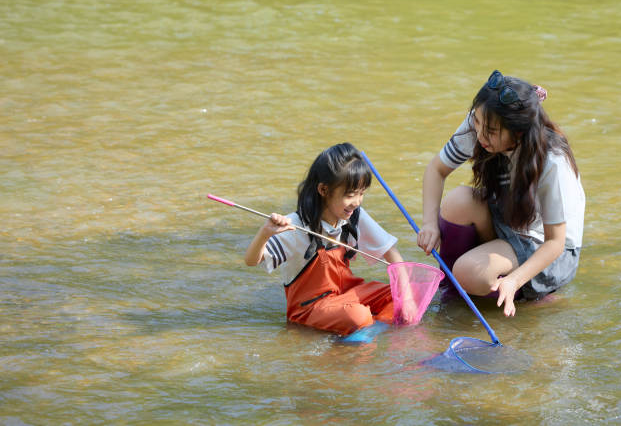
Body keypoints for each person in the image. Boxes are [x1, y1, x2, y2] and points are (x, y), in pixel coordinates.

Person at [418, 70, 585, 317]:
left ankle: (530, 295)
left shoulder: (552, 161)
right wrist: (429, 224)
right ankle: (453, 292)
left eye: (491, 132)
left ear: (518, 132)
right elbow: (436, 170)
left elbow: (555, 243)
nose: (480, 135)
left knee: (468, 272)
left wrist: (514, 280)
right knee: (457, 202)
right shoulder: (483, 120)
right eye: (477, 123)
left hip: (546, 247)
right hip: (509, 219)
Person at [244, 142, 410, 336]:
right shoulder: (295, 225)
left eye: (362, 194)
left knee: (403, 293)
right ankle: (364, 331)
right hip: (311, 308)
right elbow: (251, 260)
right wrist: (265, 233)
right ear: (323, 190)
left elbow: (392, 254)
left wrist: (408, 301)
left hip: (347, 296)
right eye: (350, 195)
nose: (357, 202)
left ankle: (369, 332)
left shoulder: (354, 215)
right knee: (359, 316)